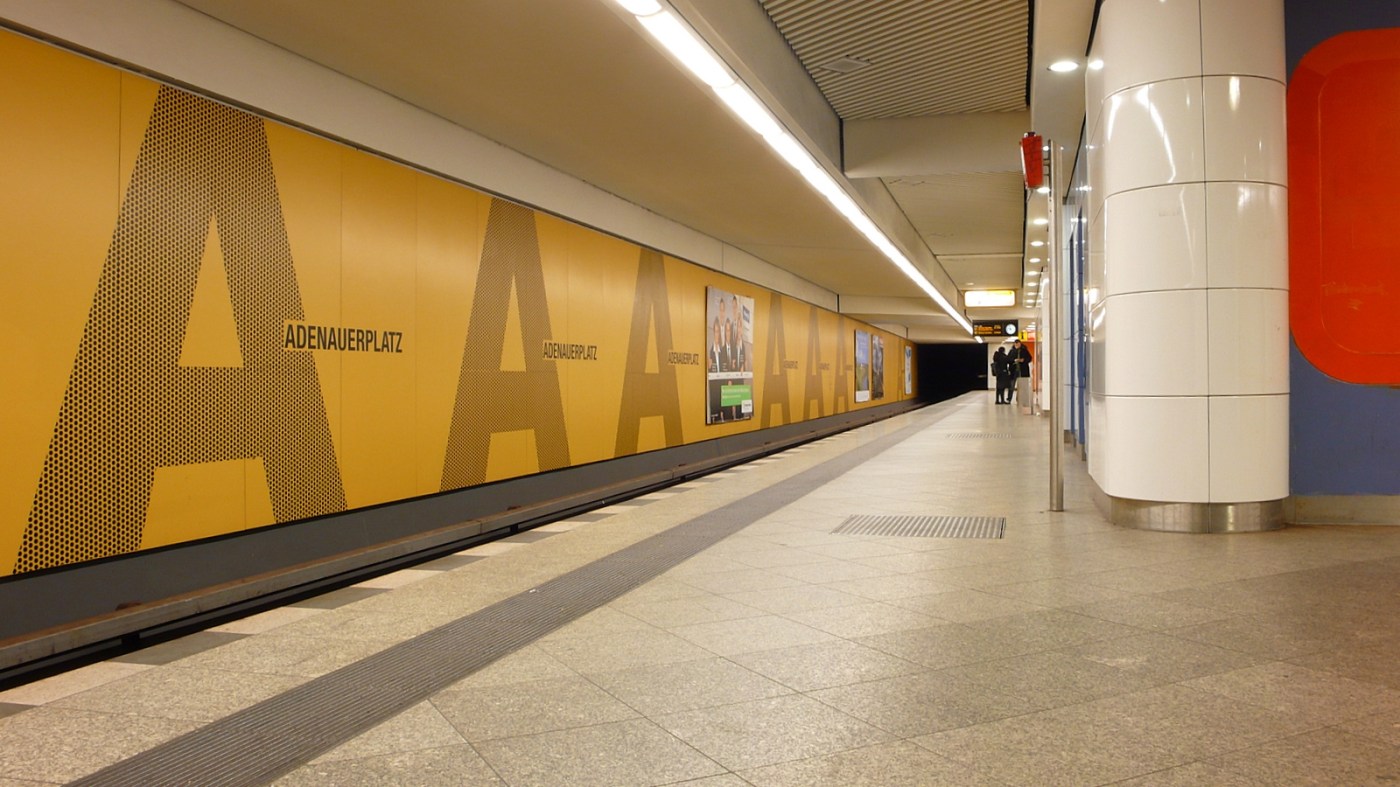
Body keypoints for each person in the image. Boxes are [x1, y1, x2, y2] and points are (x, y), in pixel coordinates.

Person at [1008, 339, 1032, 407]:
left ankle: (1022, 400)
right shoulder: (1012, 351)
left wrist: (1023, 360)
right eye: (1016, 344)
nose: (1017, 345)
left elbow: (1029, 358)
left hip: (1023, 371)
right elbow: (1008, 359)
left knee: (1023, 386)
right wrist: (1014, 360)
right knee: (1011, 386)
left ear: (1020, 344)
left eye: (1018, 344)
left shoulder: (1024, 351)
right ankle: (1009, 399)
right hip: (1013, 371)